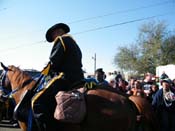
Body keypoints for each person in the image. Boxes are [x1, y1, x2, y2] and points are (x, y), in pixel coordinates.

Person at [32, 23, 84, 131]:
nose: (53, 38)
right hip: (78, 78)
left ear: (57, 32)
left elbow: (54, 62)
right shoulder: (75, 43)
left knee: (36, 102)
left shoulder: (61, 39)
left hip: (65, 78)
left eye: (53, 35)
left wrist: (47, 70)